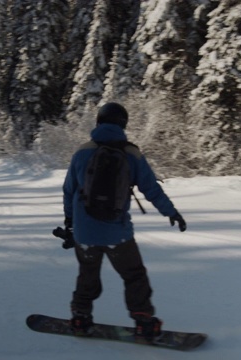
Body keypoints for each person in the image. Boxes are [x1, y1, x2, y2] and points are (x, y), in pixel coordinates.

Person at [62, 102, 187, 341]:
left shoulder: (82, 152)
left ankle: (80, 317)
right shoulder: (132, 154)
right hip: (116, 234)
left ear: (98, 122)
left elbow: (69, 190)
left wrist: (70, 222)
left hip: (84, 233)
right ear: (123, 124)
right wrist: (172, 213)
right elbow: (151, 189)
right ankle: (143, 321)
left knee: (87, 273)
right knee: (134, 275)